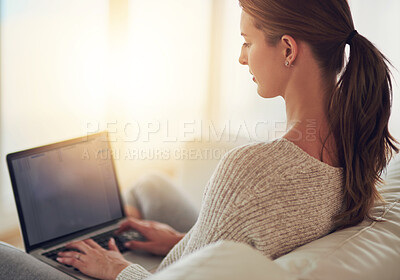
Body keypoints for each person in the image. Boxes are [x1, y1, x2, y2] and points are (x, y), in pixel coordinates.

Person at [1, 0, 398, 279]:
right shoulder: (361, 146)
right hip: (226, 255)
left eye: (247, 41)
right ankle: (118, 233)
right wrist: (178, 240)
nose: (242, 58)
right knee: (151, 185)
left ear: (288, 49)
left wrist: (118, 270)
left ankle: (98, 246)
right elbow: (262, 232)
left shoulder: (252, 171)